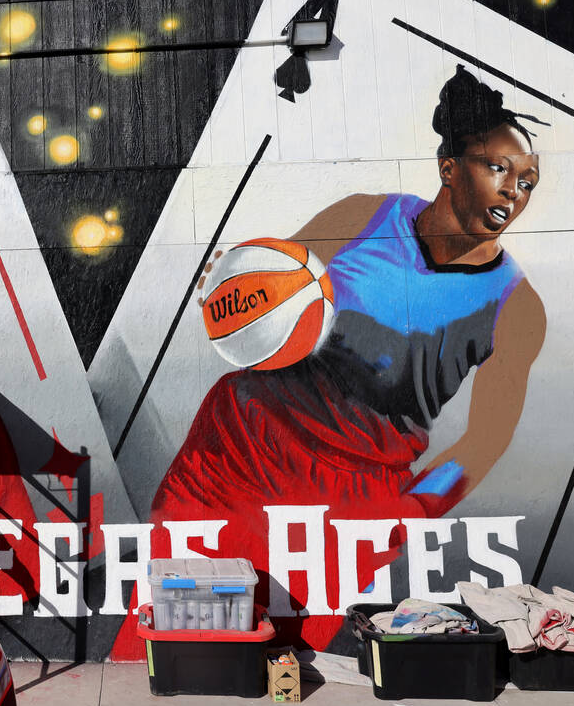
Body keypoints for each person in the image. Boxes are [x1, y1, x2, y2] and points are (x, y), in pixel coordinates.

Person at [115, 64, 549, 655]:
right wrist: (228, 285)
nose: (513, 192)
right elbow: (275, 298)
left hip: (352, 492)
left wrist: (408, 512)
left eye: (528, 181)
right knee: (171, 629)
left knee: (284, 656)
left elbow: (485, 441)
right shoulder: (364, 216)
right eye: (499, 168)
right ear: (449, 167)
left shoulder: (517, 308)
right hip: (239, 447)